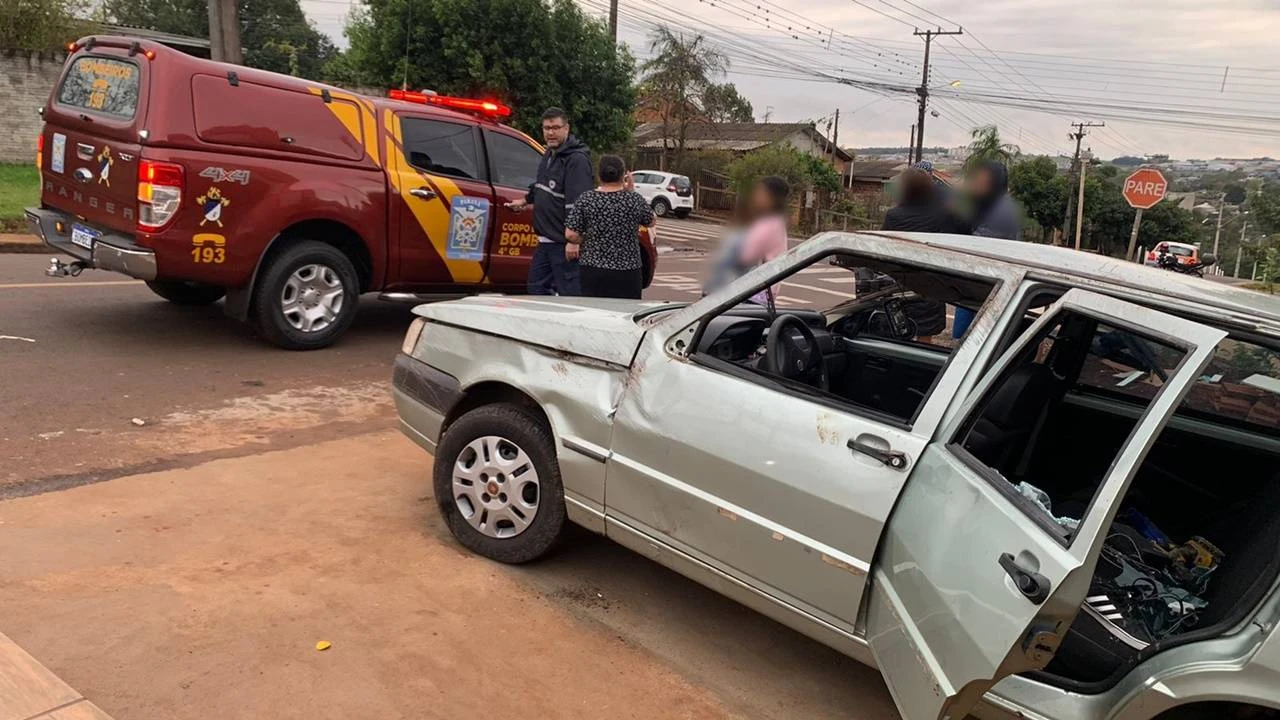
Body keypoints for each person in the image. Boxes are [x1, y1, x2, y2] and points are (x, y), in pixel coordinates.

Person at [505, 107, 592, 296]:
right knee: (536, 289)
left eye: (555, 128)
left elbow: (579, 203)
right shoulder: (550, 154)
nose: (550, 133)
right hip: (546, 241)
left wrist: (574, 240)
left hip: (563, 243)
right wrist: (525, 200)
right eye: (546, 128)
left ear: (566, 128)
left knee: (570, 296)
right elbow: (542, 186)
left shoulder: (576, 160)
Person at [878, 168, 966, 341]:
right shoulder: (944, 214)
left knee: (898, 336)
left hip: (900, 284)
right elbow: (963, 234)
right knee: (926, 339)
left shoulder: (894, 216)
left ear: (905, 189)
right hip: (932, 284)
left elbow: (883, 247)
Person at [565, 155, 656, 299]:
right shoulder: (633, 199)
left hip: (593, 269)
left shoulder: (587, 199)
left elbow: (570, 234)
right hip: (628, 271)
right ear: (623, 176)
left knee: (594, 309)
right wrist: (631, 191)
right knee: (624, 309)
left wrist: (587, 239)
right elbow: (651, 221)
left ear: (599, 175)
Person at [951, 161, 1021, 338]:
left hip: (988, 282)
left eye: (982, 183)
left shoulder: (1002, 210)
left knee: (976, 336)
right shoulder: (986, 203)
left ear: (996, 183)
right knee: (963, 334)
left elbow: (978, 246)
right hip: (974, 281)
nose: (975, 186)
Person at [739, 176, 791, 305]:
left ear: (772, 198)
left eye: (761, 193)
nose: (756, 197)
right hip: (764, 292)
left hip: (754, 292)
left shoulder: (768, 223)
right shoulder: (778, 221)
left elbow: (745, 256)